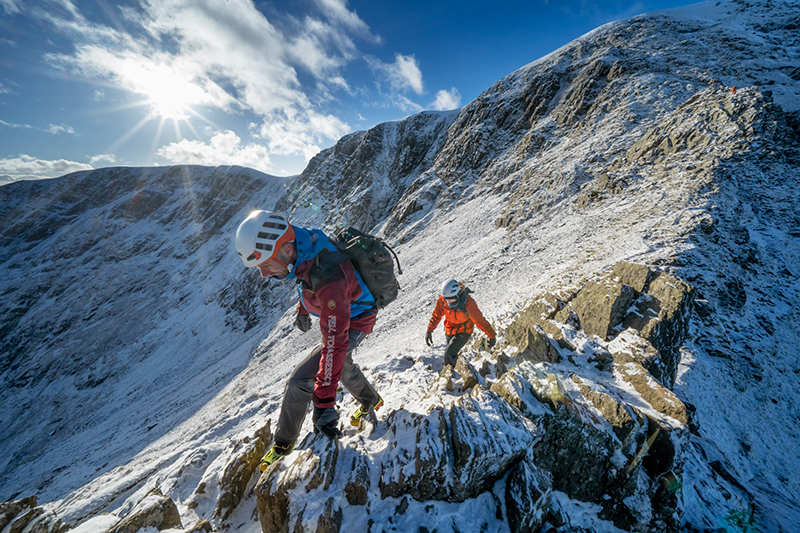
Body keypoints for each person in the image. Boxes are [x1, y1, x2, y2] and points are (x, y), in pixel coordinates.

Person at [234, 210, 383, 468]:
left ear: (286, 250)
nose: (263, 274)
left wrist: (324, 403)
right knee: (343, 367)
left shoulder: (330, 277)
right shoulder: (306, 250)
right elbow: (306, 279)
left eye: (266, 264)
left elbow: (336, 341)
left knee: (301, 380)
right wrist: (303, 308)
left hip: (355, 320)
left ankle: (282, 444)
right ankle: (372, 401)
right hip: (350, 310)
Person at [425, 279, 497, 368]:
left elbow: (480, 321)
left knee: (449, 353)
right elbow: (436, 315)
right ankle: (458, 369)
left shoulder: (468, 303)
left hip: (465, 330)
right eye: (447, 300)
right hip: (449, 329)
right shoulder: (443, 299)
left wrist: (491, 335)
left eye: (451, 299)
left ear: (457, 294)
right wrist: (429, 331)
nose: (449, 302)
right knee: (452, 352)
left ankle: (449, 375)